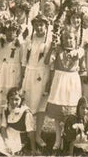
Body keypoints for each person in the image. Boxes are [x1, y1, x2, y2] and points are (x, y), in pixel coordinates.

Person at [44, 26, 87, 151]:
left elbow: (83, 69)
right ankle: (58, 139)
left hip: (73, 82)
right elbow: (47, 62)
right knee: (58, 114)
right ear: (62, 40)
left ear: (75, 39)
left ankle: (69, 138)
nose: (69, 41)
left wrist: (83, 85)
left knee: (72, 113)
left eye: (71, 38)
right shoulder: (58, 50)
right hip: (60, 81)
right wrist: (51, 48)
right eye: (66, 38)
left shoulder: (80, 51)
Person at [21, 14, 52, 148]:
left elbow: (50, 63)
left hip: (42, 74)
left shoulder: (50, 41)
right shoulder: (28, 40)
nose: (39, 28)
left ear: (46, 27)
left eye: (42, 25)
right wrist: (21, 77)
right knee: (26, 105)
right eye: (37, 25)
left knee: (41, 107)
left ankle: (38, 135)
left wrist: (49, 82)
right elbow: (23, 61)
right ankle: (25, 133)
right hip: (29, 73)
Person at [0, 87, 36, 155]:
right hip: (8, 133)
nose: (13, 102)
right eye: (11, 99)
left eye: (17, 99)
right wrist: (6, 141)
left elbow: (30, 132)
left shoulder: (26, 112)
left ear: (21, 100)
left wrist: (33, 149)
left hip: (20, 137)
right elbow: (3, 127)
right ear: (8, 99)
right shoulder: (6, 109)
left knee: (8, 149)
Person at [0, 19, 23, 109]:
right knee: (0, 94)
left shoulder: (20, 45)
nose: (10, 33)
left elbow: (21, 61)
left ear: (17, 32)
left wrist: (21, 76)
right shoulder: (0, 43)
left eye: (13, 31)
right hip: (1, 72)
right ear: (4, 31)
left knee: (12, 93)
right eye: (8, 30)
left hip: (13, 72)